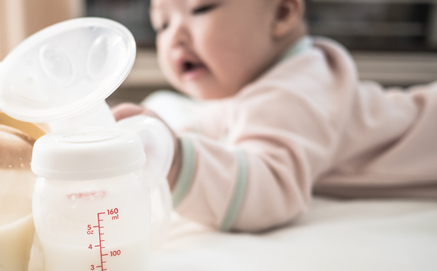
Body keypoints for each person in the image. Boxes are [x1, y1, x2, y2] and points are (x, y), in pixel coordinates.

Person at [112, 0, 437, 232]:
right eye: (162, 24)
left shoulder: (295, 89)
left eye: (201, 8)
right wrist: (157, 136)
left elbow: (269, 187)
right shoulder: (263, 85)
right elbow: (219, 122)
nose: (174, 38)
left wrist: (178, 160)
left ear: (281, 12)